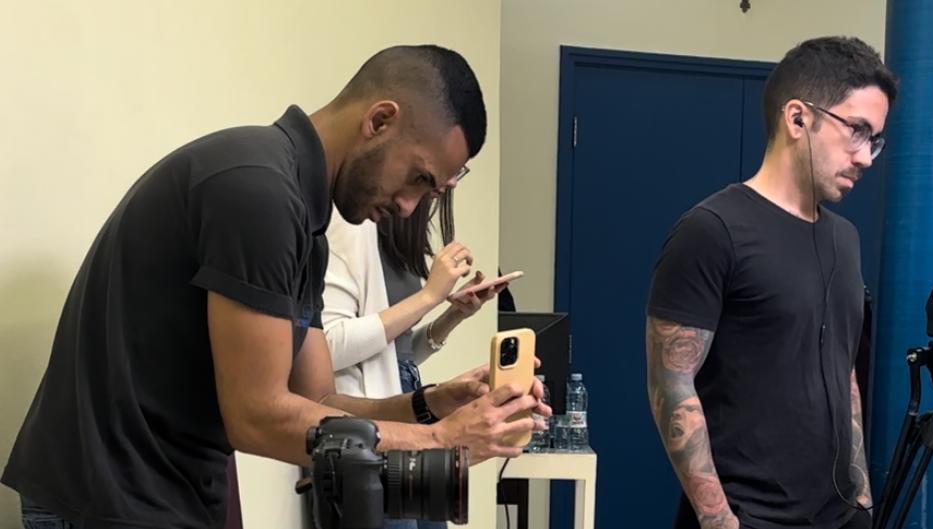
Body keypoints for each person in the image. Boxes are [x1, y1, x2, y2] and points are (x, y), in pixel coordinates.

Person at [3, 44, 548, 529]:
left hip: (163, 488)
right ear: (380, 120)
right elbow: (257, 416)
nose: (409, 207)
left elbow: (318, 402)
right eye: (419, 178)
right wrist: (440, 440)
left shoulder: (304, 223)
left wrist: (432, 405)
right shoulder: (257, 191)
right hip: (107, 497)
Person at [645, 36, 898, 529]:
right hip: (748, 517)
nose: (866, 156)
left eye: (875, 139)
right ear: (798, 119)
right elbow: (671, 385)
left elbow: (844, 371)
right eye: (857, 131)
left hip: (840, 517)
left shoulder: (845, 239)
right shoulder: (712, 230)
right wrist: (719, 520)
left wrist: (862, 497)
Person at [323, 188, 499, 529]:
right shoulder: (351, 228)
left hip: (411, 405)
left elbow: (395, 354)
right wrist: (429, 296)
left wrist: (452, 316)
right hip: (368, 419)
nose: (450, 183)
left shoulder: (401, 243)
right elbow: (330, 346)